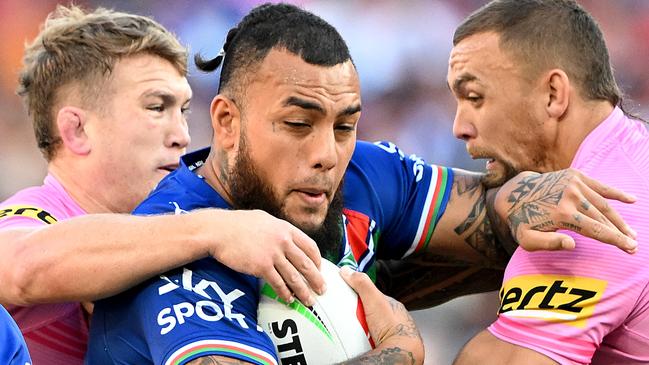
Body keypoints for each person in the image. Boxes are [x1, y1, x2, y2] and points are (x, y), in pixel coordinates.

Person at [86, 3, 638, 364]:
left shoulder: (363, 175)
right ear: (227, 123)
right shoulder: (176, 258)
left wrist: (520, 197)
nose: (327, 154)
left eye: (345, 125)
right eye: (298, 125)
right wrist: (399, 350)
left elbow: (493, 213)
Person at [0, 5, 327, 364]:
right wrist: (213, 229)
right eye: (157, 108)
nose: (182, 136)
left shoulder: (176, 228)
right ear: (77, 130)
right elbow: (20, 267)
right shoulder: (34, 217)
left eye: (184, 110)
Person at [447, 1, 649, 364]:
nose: (459, 127)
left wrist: (399, 348)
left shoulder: (585, 217)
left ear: (553, 94)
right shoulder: (635, 154)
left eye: (475, 98)